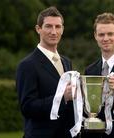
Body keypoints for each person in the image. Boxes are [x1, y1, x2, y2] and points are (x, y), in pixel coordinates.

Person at [16, 6, 75, 138]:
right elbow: (28, 107)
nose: (53, 32)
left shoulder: (67, 62)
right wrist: (62, 98)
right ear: (38, 29)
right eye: (48, 26)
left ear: (62, 29)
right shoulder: (27, 65)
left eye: (58, 27)